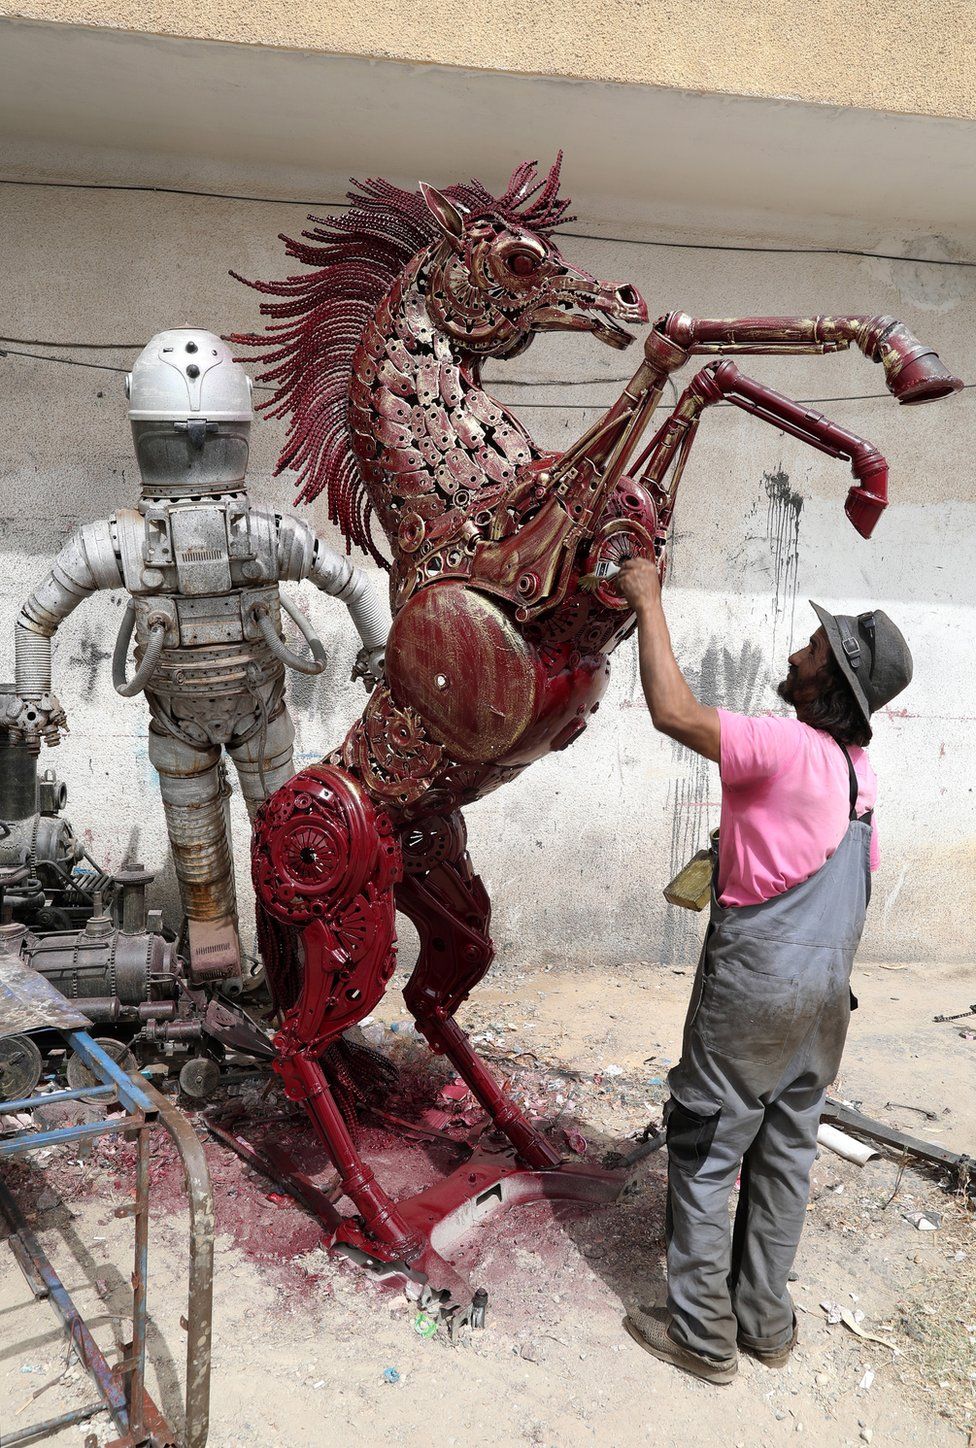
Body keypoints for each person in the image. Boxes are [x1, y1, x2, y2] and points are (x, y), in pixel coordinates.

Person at [12, 329, 389, 987]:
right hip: (256, 723)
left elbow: (34, 618)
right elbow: (355, 584)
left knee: (217, 862)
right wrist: (379, 656)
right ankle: (283, 984)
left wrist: (36, 700)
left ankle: (271, 979)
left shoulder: (116, 543)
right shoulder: (271, 536)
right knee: (287, 854)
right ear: (236, 425)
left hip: (189, 729)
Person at [614, 556, 913, 1385]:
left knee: (708, 1146)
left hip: (757, 991)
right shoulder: (862, 780)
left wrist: (647, 597)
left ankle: (703, 1337)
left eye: (813, 647)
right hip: (825, 1004)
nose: (794, 653)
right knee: (786, 1152)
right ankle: (766, 1322)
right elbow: (838, 878)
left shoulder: (783, 746)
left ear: (833, 683)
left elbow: (672, 710)